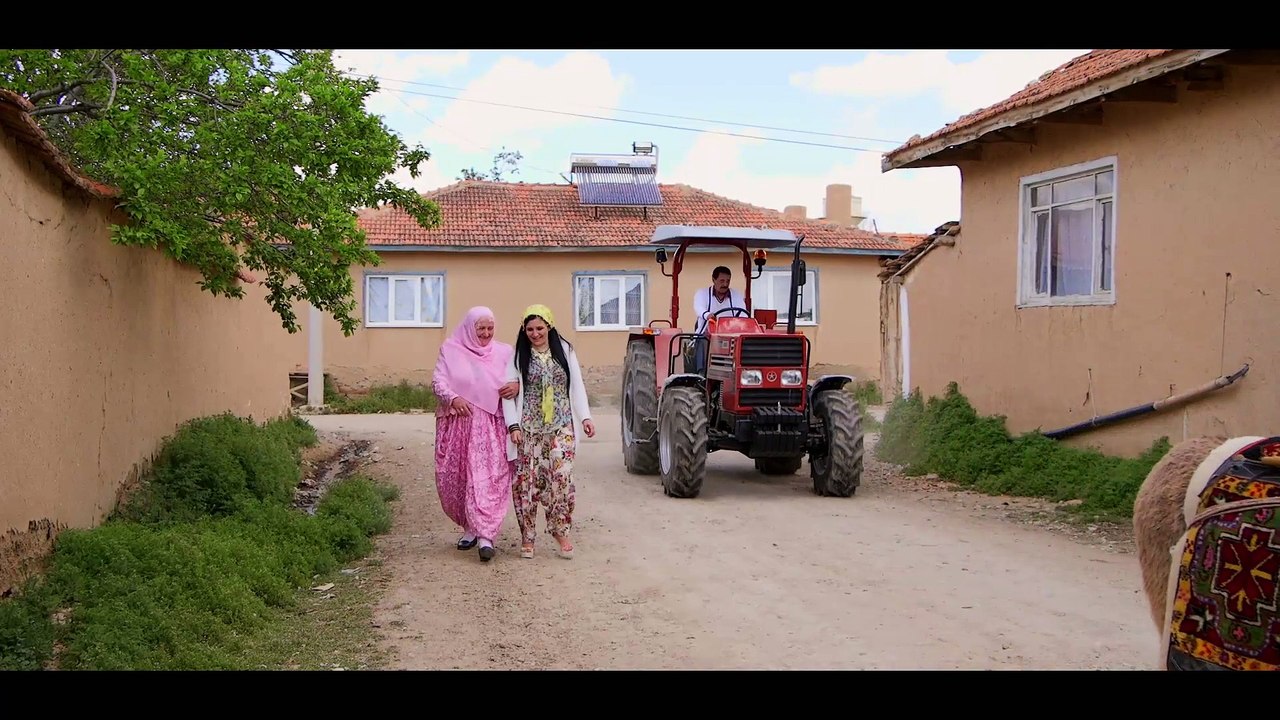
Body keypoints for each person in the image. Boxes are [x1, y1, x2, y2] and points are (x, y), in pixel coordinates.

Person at [502, 304, 595, 560]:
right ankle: (528, 537)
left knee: (561, 480)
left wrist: (585, 417)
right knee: (527, 485)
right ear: (524, 330)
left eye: (540, 328)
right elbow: (507, 394)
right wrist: (513, 425)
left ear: (549, 326)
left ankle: (560, 530)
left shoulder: (564, 351)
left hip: (561, 426)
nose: (535, 333)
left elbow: (576, 386)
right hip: (528, 430)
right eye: (530, 329)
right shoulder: (517, 355)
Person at [430, 306, 520, 562]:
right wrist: (453, 397)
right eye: (480, 328)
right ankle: (470, 528)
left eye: (490, 328)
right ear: (470, 328)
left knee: (488, 478)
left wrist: (516, 385)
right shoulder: (450, 349)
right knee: (457, 479)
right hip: (459, 423)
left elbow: (517, 378)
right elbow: (438, 381)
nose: (486, 333)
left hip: (491, 424)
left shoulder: (504, 352)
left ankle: (486, 535)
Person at [690, 265, 748, 374]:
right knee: (702, 341)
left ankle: (742, 372)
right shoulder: (702, 294)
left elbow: (742, 311)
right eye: (722, 281)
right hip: (707, 334)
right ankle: (701, 374)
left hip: (730, 335)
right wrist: (707, 315)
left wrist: (743, 321)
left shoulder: (736, 295)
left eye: (728, 281)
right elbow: (698, 307)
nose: (725, 284)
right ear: (713, 280)